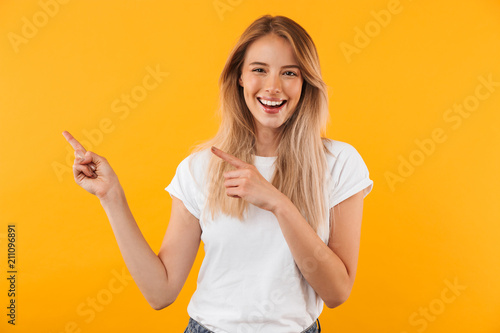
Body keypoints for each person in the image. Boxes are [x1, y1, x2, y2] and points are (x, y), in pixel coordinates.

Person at [63, 14, 373, 333]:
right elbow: (160, 292)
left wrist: (278, 203)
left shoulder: (339, 163)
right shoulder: (200, 169)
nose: (273, 87)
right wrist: (111, 196)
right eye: (259, 70)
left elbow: (337, 292)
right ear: (239, 76)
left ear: (305, 81)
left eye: (289, 73)